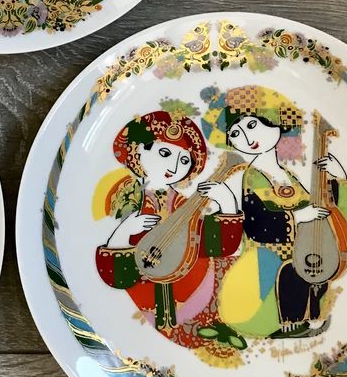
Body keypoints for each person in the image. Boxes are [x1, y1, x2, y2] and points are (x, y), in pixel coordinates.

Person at [198, 85, 347, 338]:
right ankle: (289, 325)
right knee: (290, 275)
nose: (247, 138)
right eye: (236, 134)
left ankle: (308, 318)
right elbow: (256, 225)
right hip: (265, 260)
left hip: (303, 251)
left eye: (252, 125)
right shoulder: (251, 177)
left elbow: (334, 215)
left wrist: (340, 176)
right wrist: (297, 217)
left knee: (313, 268)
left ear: (275, 124)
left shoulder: (289, 175)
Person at [94, 109, 245, 358]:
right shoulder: (127, 198)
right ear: (140, 151)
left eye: (184, 161)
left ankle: (211, 325)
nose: (174, 167)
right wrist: (124, 232)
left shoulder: (182, 203)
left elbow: (210, 241)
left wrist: (228, 204)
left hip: (191, 282)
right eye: (165, 154)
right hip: (147, 286)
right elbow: (116, 272)